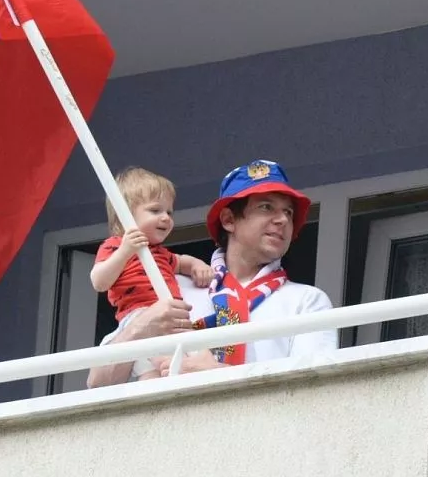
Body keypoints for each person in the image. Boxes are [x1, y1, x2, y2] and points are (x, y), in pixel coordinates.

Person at [86, 160, 338, 388]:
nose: (282, 219)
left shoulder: (306, 301)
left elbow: (313, 394)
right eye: (266, 207)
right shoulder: (169, 287)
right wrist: (140, 327)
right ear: (228, 220)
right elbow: (98, 383)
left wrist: (217, 374)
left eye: (288, 212)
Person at [89, 167, 212, 380]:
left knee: (165, 369)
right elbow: (99, 281)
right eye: (155, 211)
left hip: (171, 315)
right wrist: (125, 251)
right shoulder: (115, 246)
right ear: (125, 214)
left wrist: (197, 265)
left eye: (169, 212)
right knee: (164, 366)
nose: (165, 218)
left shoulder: (161, 253)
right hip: (139, 315)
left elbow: (181, 261)